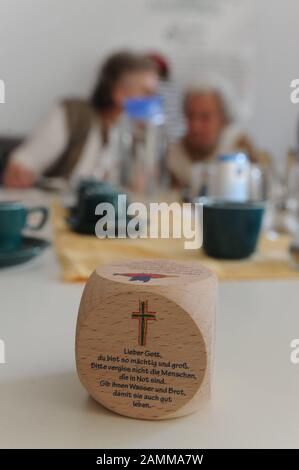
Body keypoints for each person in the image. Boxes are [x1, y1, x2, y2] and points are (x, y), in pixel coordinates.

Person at [4, 51, 158, 188]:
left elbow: (141, 185)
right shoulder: (73, 115)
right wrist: (20, 172)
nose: (153, 100)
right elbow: (22, 165)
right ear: (120, 93)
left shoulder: (134, 132)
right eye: (147, 93)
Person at [167, 85, 259, 189]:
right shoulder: (172, 156)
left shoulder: (239, 147)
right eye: (191, 115)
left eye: (205, 117)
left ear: (224, 120)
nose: (195, 126)